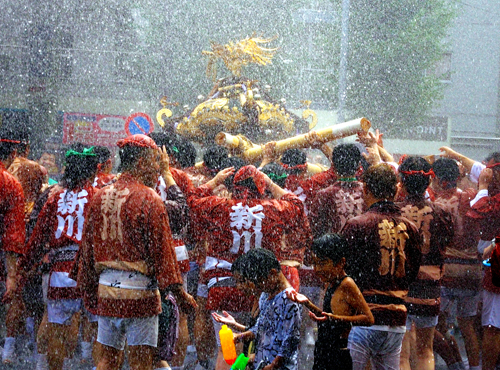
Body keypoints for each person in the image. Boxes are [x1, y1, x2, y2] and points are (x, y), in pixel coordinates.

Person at [77, 134, 196, 370]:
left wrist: (89, 287)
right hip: (140, 296)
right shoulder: (148, 197)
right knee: (142, 363)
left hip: (107, 292)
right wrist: (180, 295)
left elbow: (87, 250)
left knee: (107, 360)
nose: (157, 171)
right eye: (155, 163)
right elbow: (163, 254)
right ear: (141, 163)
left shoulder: (100, 195)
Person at [188, 164, 311, 370]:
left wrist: (216, 180)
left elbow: (191, 199)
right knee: (259, 348)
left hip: (223, 285)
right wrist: (271, 183)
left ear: (234, 187)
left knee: (227, 350)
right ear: (261, 187)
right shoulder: (274, 208)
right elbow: (296, 204)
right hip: (260, 289)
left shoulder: (219, 206)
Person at [21, 143, 99, 370]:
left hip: (60, 274)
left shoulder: (55, 198)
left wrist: (26, 265)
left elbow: (37, 237)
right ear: (91, 171)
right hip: (91, 272)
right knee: (96, 330)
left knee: (56, 327)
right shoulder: (97, 196)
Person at [342, 163, 422, 370]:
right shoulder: (411, 228)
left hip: (363, 318)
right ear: (396, 190)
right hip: (396, 321)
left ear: (365, 189)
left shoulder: (357, 225)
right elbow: (412, 272)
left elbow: (343, 273)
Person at [397, 156, 454, 370]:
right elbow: (447, 242)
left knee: (401, 355)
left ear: (401, 181)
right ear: (429, 183)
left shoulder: (394, 211)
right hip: (428, 288)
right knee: (425, 350)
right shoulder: (441, 212)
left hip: (400, 285)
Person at [286, 233, 374, 370]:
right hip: (323, 352)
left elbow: (369, 318)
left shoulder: (347, 284)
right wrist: (307, 303)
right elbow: (326, 317)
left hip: (337, 355)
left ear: (341, 263)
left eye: (322, 263)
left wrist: (336, 318)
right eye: (314, 263)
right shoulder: (331, 283)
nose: (317, 269)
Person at [429, 158, 482, 370]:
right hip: (471, 271)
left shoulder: (435, 203)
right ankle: (473, 367)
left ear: (437, 179)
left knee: (432, 324)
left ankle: (454, 364)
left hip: (446, 271)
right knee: (467, 325)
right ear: (458, 176)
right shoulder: (471, 196)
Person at [215, 248, 302, 370]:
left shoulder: (289, 299)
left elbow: (290, 340)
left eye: (259, 282)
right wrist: (239, 337)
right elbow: (261, 327)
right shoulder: (266, 295)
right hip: (263, 363)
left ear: (272, 274)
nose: (257, 287)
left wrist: (273, 365)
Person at [0, 129, 27, 364]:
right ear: (14, 154)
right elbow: (12, 235)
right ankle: (7, 350)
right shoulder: (10, 184)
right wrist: (11, 275)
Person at [309, 143, 365, 237]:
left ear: (333, 166)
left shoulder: (324, 195)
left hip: (334, 249)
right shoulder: (368, 192)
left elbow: (314, 228)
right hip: (364, 249)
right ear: (359, 166)